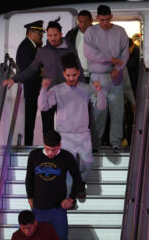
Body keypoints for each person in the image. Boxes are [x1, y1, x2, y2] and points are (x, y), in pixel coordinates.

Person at [38, 52, 106, 199]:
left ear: (79, 73)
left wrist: (100, 91)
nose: (71, 78)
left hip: (83, 134)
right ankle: (70, 196)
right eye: (68, 75)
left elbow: (100, 107)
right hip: (64, 135)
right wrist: (43, 90)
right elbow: (43, 107)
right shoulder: (57, 89)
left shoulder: (86, 88)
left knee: (88, 163)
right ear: (63, 74)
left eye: (74, 75)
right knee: (67, 169)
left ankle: (80, 183)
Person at [4, 18, 84, 134]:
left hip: (66, 93)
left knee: (68, 125)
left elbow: (79, 69)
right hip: (48, 94)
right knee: (47, 128)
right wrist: (14, 79)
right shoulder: (43, 51)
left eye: (55, 35)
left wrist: (82, 91)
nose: (52, 38)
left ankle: (68, 150)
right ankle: (50, 150)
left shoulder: (70, 49)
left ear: (61, 34)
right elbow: (31, 70)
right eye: (50, 35)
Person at [84, 4, 129, 153]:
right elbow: (89, 53)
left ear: (111, 17)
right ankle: (95, 144)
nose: (104, 23)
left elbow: (124, 54)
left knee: (117, 111)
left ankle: (115, 143)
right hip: (97, 77)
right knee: (98, 112)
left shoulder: (120, 32)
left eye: (107, 19)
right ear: (97, 18)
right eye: (102, 20)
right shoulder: (91, 31)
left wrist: (118, 68)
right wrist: (111, 59)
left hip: (115, 77)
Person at [25, 130, 82, 240]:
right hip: (38, 209)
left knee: (60, 237)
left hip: (58, 210)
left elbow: (78, 178)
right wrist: (30, 197)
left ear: (59, 145)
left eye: (54, 150)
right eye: (47, 149)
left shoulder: (67, 156)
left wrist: (70, 199)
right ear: (44, 145)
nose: (50, 153)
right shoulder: (34, 155)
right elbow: (29, 178)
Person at [16, 20, 44, 145]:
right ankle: (28, 144)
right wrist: (42, 70)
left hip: (34, 87)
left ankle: (29, 143)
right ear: (31, 33)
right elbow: (28, 67)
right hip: (31, 87)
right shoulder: (26, 47)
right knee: (29, 119)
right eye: (40, 34)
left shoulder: (31, 46)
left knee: (32, 118)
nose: (41, 37)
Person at [65, 10, 93, 83]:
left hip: (95, 75)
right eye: (80, 22)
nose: (83, 25)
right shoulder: (71, 35)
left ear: (91, 21)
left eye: (85, 22)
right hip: (77, 75)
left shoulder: (99, 34)